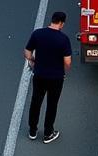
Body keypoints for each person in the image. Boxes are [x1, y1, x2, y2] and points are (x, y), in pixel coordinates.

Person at [25, 11, 72, 143]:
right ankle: (48, 133)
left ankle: (32, 131)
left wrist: (33, 60)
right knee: (52, 104)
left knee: (36, 102)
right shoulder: (64, 39)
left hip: (39, 75)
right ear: (62, 23)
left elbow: (27, 52)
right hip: (56, 78)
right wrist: (64, 69)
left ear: (52, 20)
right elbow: (67, 62)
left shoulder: (38, 34)